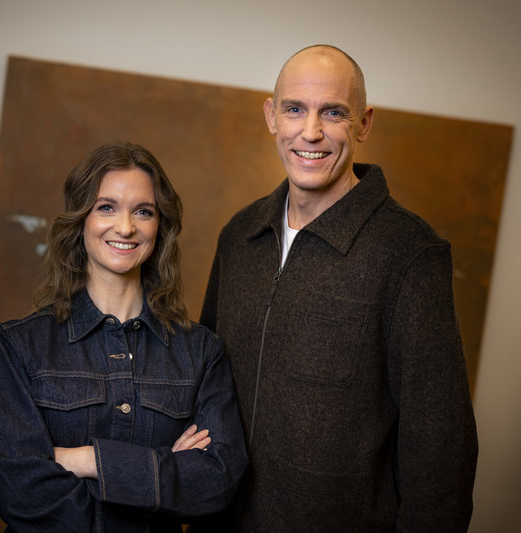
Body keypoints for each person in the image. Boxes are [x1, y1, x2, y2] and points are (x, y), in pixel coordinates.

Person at [200, 45, 478, 531]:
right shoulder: (239, 236)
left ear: (364, 123)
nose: (310, 132)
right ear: (271, 116)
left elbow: (441, 449)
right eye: (294, 109)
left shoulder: (410, 253)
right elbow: (204, 381)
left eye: (333, 112)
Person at [0, 142, 247, 532]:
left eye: (143, 212)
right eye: (106, 207)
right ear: (80, 220)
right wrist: (160, 477)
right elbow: (21, 494)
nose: (126, 228)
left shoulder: (202, 352)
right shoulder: (21, 345)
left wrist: (88, 460)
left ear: (160, 227)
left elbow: (216, 483)